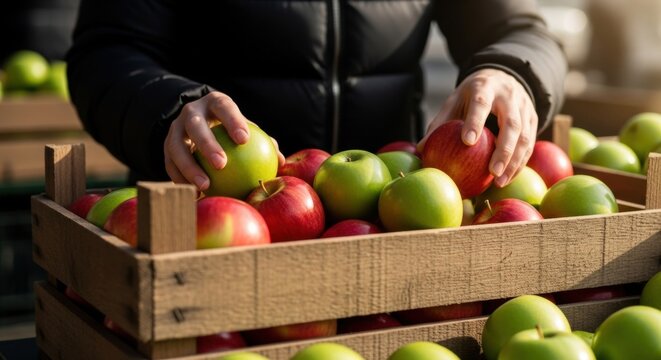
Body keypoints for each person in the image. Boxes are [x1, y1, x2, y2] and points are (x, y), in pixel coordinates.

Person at [67, 0, 566, 191]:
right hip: (202, 217)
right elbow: (106, 52)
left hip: (389, 223)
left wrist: (512, 71)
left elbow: (521, 28)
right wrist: (168, 108)